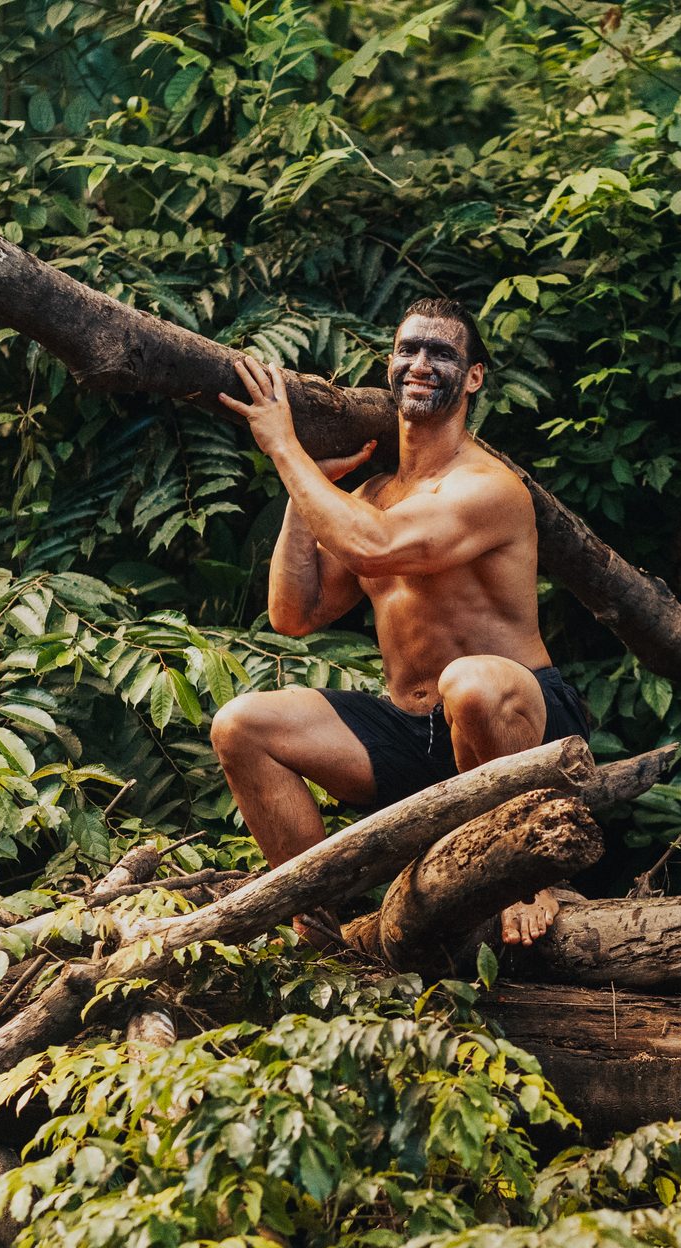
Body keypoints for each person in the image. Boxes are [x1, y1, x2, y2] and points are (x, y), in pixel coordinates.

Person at [211, 298, 590, 946]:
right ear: (389, 363)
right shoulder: (370, 497)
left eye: (440, 352)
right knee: (241, 725)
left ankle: (531, 876)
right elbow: (293, 615)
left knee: (468, 683)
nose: (420, 363)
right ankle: (320, 927)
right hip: (415, 737)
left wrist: (282, 448)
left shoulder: (487, 487)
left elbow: (376, 547)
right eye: (408, 349)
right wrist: (305, 497)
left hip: (513, 722)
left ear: (472, 376)